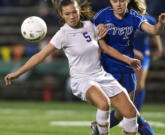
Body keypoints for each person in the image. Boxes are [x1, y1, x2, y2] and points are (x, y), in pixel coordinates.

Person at [4, 0, 142, 135]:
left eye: (74, 12)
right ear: (62, 15)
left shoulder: (90, 26)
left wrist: (128, 59)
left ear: (79, 11)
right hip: (81, 80)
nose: (72, 17)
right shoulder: (62, 34)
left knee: (130, 113)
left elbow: (105, 48)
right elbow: (40, 56)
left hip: (100, 75)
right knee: (104, 103)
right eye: (67, 14)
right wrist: (17, 73)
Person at [92, 0, 165, 135]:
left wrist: (160, 24)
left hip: (128, 70)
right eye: (114, 1)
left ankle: (98, 128)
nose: (118, 4)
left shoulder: (134, 17)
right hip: (109, 70)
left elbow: (154, 30)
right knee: (131, 112)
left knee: (121, 113)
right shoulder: (102, 16)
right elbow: (95, 40)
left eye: (122, 0)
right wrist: (95, 32)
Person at [134, 14, 163, 111]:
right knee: (128, 84)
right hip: (128, 52)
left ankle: (136, 112)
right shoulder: (128, 17)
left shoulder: (150, 19)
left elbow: (155, 34)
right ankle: (125, 110)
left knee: (140, 84)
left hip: (144, 54)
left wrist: (159, 48)